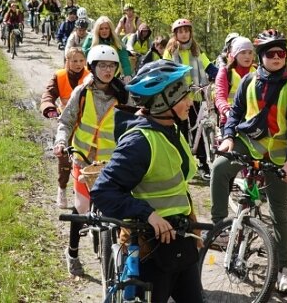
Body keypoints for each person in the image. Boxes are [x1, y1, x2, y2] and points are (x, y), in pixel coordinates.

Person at [91, 59, 205, 302]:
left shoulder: (171, 128)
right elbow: (103, 192)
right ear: (164, 102)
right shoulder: (139, 142)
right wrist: (149, 214)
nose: (190, 102)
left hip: (180, 240)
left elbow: (176, 184)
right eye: (184, 96)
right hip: (151, 248)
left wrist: (192, 222)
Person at [212, 29, 287, 294]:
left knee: (278, 213)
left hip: (277, 154)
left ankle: (284, 269)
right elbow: (236, 113)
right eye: (271, 53)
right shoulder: (248, 82)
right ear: (262, 57)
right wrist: (228, 137)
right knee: (219, 168)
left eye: (281, 53)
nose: (277, 58)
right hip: (248, 144)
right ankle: (219, 226)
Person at [52, 45, 128, 276]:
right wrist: (61, 142)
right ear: (92, 68)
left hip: (112, 162)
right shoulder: (82, 92)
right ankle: (72, 253)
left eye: (112, 65)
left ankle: (119, 252)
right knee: (82, 207)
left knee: (118, 209)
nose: (108, 70)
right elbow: (66, 121)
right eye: (102, 65)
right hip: (83, 160)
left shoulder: (124, 94)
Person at [163, 18, 218, 180]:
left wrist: (221, 75)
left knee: (200, 128)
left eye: (186, 31)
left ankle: (203, 163)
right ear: (175, 34)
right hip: (178, 96)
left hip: (196, 94)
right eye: (180, 31)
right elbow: (165, 69)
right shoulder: (171, 50)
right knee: (180, 130)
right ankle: (181, 161)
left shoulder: (196, 49)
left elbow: (208, 66)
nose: (184, 34)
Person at [40, 47, 90, 208]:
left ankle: (82, 190)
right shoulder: (59, 76)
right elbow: (48, 94)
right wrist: (49, 108)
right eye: (74, 61)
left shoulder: (91, 77)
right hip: (66, 121)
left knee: (85, 158)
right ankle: (62, 188)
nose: (78, 64)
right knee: (64, 158)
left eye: (81, 61)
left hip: (86, 124)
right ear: (67, 61)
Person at [214, 36, 255, 130]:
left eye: (250, 52)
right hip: (230, 121)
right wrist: (227, 112)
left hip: (252, 121)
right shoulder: (225, 72)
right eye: (243, 52)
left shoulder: (257, 72)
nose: (247, 56)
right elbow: (220, 97)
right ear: (235, 55)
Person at [82, 16, 133, 81]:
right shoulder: (90, 39)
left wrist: (127, 74)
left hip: (113, 74)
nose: (104, 31)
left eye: (106, 28)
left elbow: (124, 59)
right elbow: (83, 56)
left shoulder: (116, 40)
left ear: (110, 29)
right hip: (93, 74)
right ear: (97, 29)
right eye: (101, 29)